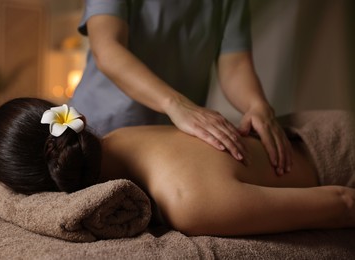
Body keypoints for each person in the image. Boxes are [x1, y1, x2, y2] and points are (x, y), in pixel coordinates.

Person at [0, 98, 355, 236]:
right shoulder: (123, 136)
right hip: (322, 122)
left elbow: (344, 204)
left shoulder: (188, 203)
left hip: (336, 152)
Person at [70, 0, 292, 175]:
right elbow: (107, 49)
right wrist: (175, 104)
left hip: (172, 136)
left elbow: (235, 65)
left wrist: (257, 104)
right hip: (99, 128)